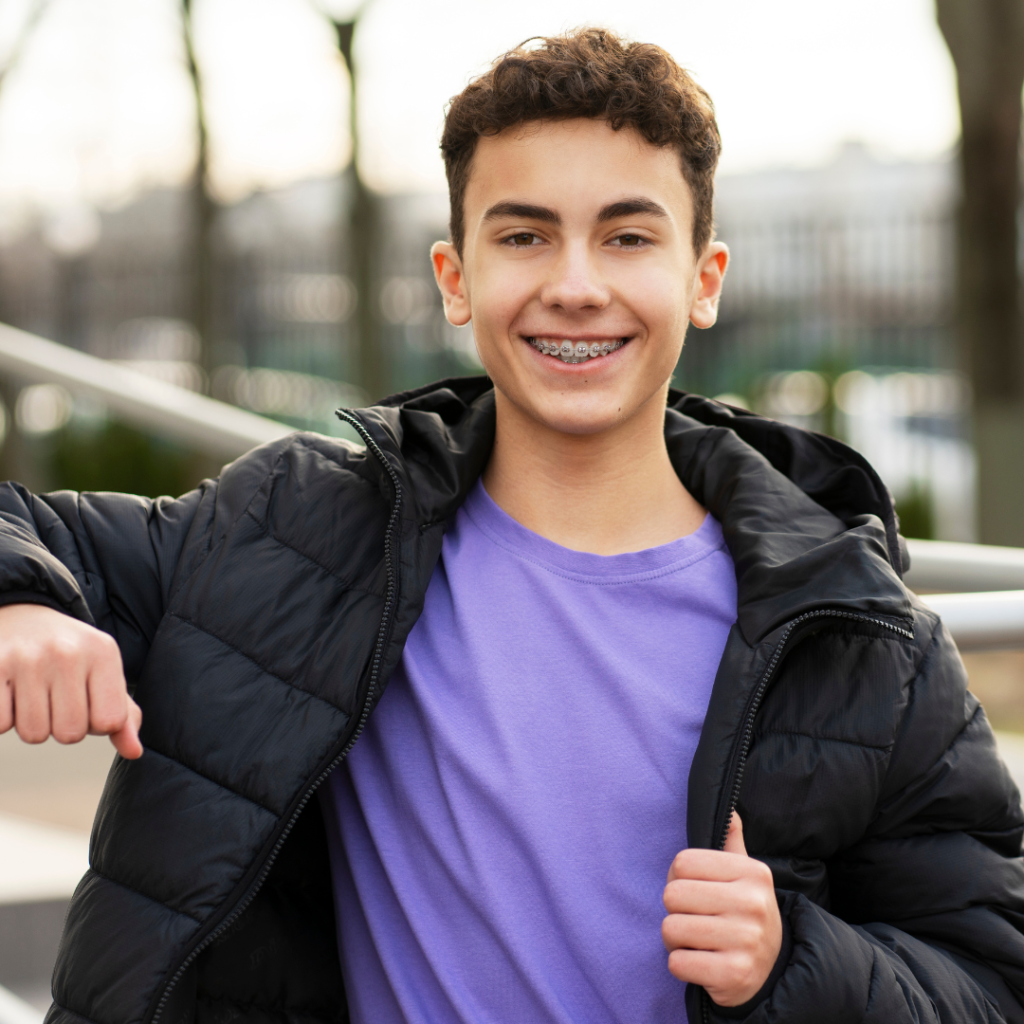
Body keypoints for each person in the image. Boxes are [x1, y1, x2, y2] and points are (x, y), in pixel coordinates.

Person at [1, 27, 1022, 1024]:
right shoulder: (298, 530)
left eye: (627, 236)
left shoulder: (860, 635)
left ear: (702, 280)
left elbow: (992, 978)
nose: (574, 286)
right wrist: (21, 596)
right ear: (455, 278)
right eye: (525, 235)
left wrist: (793, 959)